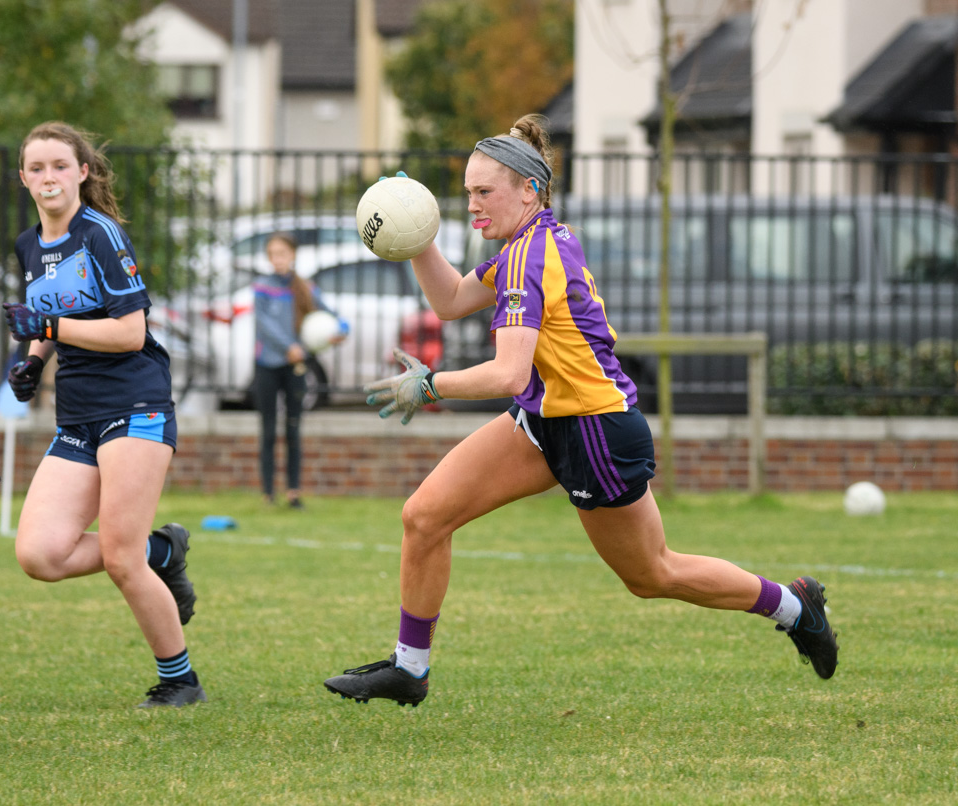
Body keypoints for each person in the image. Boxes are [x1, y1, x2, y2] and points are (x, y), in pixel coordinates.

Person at [323, 114, 839, 707]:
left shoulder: (526, 259)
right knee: (425, 516)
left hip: (596, 429)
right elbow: (450, 300)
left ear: (529, 189)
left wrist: (431, 385)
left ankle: (797, 607)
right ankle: (409, 670)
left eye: (484, 192)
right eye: (467, 192)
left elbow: (507, 373)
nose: (472, 205)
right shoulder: (528, 243)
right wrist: (418, 236)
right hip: (543, 421)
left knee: (652, 575)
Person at [1, 121, 204, 708]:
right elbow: (49, 316)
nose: (48, 178)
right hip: (79, 413)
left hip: (134, 402)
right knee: (39, 554)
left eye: (59, 166)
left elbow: (128, 331)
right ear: (23, 178)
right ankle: (163, 551)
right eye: (36, 168)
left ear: (82, 173)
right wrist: (34, 361)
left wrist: (46, 331)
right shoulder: (28, 244)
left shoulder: (100, 234)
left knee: (120, 556)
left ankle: (180, 682)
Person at [252, 232, 348, 508]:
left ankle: (293, 492)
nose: (277, 259)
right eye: (272, 254)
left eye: (282, 253)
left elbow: (330, 316)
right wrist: (288, 346)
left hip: (296, 367)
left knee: (293, 429)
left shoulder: (306, 288)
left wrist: (340, 330)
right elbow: (264, 326)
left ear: (292, 254)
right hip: (266, 366)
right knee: (268, 430)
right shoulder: (262, 287)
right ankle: (268, 493)